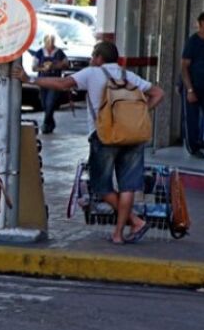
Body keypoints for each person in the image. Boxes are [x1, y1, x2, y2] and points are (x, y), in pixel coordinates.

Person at [13, 41, 165, 245]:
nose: (92, 60)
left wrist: (29, 79)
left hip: (104, 136)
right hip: (133, 136)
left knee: (100, 186)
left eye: (94, 56)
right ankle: (120, 232)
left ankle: (134, 222)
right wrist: (141, 114)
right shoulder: (128, 75)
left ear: (99, 58)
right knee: (128, 186)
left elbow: (62, 84)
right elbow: (158, 93)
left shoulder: (92, 73)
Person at [182, 10, 204, 158]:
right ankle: (193, 147)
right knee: (191, 119)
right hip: (194, 86)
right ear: (203, 23)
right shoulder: (193, 41)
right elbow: (184, 66)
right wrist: (190, 89)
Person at [32, 34, 69, 134]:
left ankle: (45, 124)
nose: (50, 44)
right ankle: (51, 123)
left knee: (50, 102)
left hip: (55, 81)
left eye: (52, 41)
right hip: (43, 81)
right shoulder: (39, 52)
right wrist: (42, 68)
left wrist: (56, 65)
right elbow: (34, 67)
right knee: (44, 103)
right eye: (48, 42)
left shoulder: (59, 53)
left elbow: (66, 64)